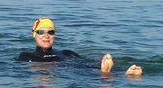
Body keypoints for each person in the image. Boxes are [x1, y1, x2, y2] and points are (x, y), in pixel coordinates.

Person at [16, 17, 144, 76]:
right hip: (62, 72)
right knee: (79, 71)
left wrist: (101, 58)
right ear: (34, 35)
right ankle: (105, 73)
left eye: (50, 32)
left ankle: (123, 73)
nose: (46, 35)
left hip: (71, 70)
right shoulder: (27, 56)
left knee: (84, 66)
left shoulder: (66, 53)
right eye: (41, 32)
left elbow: (87, 60)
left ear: (55, 35)